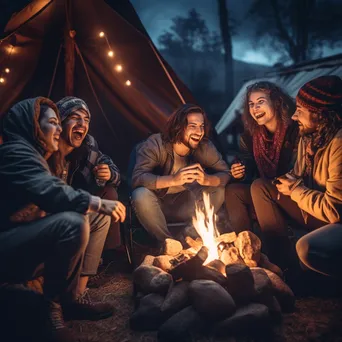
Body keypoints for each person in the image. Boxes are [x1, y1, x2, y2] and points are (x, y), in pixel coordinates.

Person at [0, 97, 126, 342]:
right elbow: (49, 190)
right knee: (73, 222)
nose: (58, 129)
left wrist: (107, 178)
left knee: (94, 218)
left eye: (86, 119)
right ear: (34, 125)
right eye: (54, 123)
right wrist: (98, 203)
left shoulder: (58, 151)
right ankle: (52, 311)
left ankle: (74, 297)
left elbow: (111, 168)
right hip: (9, 243)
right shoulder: (16, 152)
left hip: (28, 232)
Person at [250, 75, 342, 276]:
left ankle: (297, 277)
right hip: (312, 206)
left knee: (306, 248)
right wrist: (287, 182)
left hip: (332, 218)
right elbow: (297, 174)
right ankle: (280, 268)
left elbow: (335, 211)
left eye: (300, 111)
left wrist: (296, 190)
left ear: (321, 115)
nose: (294, 116)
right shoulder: (309, 137)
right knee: (260, 187)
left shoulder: (338, 145)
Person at [131, 103, 230, 242]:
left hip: (187, 205)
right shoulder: (155, 144)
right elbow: (138, 178)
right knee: (140, 194)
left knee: (218, 189)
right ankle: (168, 243)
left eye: (201, 126)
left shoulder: (204, 147)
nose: (199, 132)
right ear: (178, 127)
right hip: (157, 205)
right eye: (192, 126)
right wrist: (173, 179)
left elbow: (226, 173)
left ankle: (189, 237)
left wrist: (207, 179)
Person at [225, 81, 298, 233]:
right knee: (233, 191)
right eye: (251, 104)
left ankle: (277, 251)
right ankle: (246, 243)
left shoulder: (295, 130)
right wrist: (240, 171)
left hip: (291, 192)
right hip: (262, 188)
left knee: (260, 186)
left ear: (276, 103)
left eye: (260, 102)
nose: (255, 108)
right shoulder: (249, 137)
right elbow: (248, 166)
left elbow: (297, 170)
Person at [56, 96, 121, 263]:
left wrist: (109, 173)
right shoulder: (49, 147)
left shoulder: (88, 145)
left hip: (79, 203)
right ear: (59, 122)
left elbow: (111, 168)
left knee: (110, 191)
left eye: (86, 120)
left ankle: (106, 256)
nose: (82, 124)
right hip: (54, 209)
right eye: (74, 118)